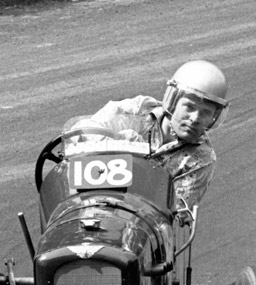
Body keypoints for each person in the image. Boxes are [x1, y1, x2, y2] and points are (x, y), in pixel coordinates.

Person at [78, 60, 229, 210]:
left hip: (138, 221)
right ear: (173, 101)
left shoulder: (202, 159)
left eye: (206, 113)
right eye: (189, 107)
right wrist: (126, 144)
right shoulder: (134, 111)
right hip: (89, 201)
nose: (195, 118)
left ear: (214, 117)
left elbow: (175, 210)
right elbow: (81, 134)